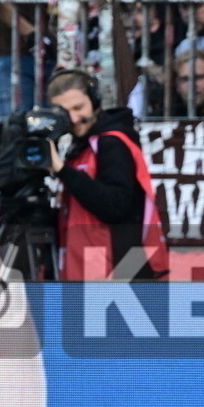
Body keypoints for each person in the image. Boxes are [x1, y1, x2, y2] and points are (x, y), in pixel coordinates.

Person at [45, 69, 169, 280]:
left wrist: (62, 170)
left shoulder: (111, 143)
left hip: (119, 271)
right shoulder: (80, 146)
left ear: (95, 101)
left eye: (79, 107)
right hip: (90, 269)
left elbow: (114, 205)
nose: (74, 118)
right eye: (65, 112)